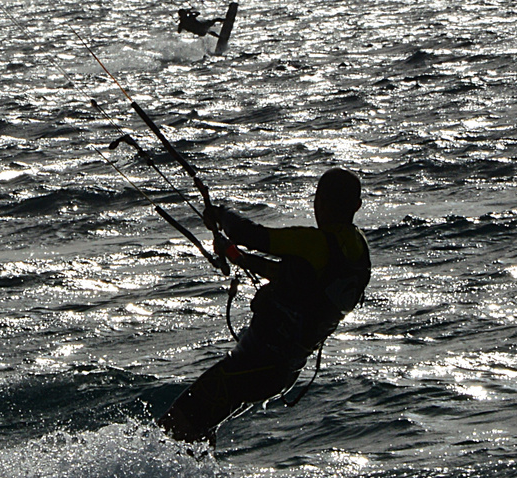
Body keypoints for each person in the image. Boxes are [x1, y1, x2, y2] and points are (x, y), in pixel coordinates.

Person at [159, 167, 371, 448]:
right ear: (356, 206)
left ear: (318, 200)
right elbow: (298, 280)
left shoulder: (316, 243)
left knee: (170, 428)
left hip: (252, 366)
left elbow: (251, 234)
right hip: (281, 374)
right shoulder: (357, 252)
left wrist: (221, 214)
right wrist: (239, 258)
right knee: (197, 431)